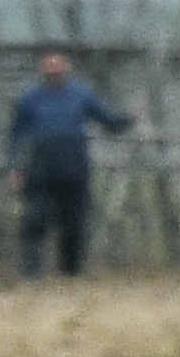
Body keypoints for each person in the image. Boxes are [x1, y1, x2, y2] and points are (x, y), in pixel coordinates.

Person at [9, 49, 134, 278]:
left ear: (67, 66)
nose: (54, 68)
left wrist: (129, 118)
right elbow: (16, 135)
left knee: (73, 222)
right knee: (35, 219)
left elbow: (107, 120)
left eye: (58, 63)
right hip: (41, 167)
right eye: (49, 64)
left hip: (74, 166)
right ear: (42, 67)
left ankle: (70, 272)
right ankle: (31, 273)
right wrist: (15, 168)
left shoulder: (81, 95)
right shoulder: (30, 98)